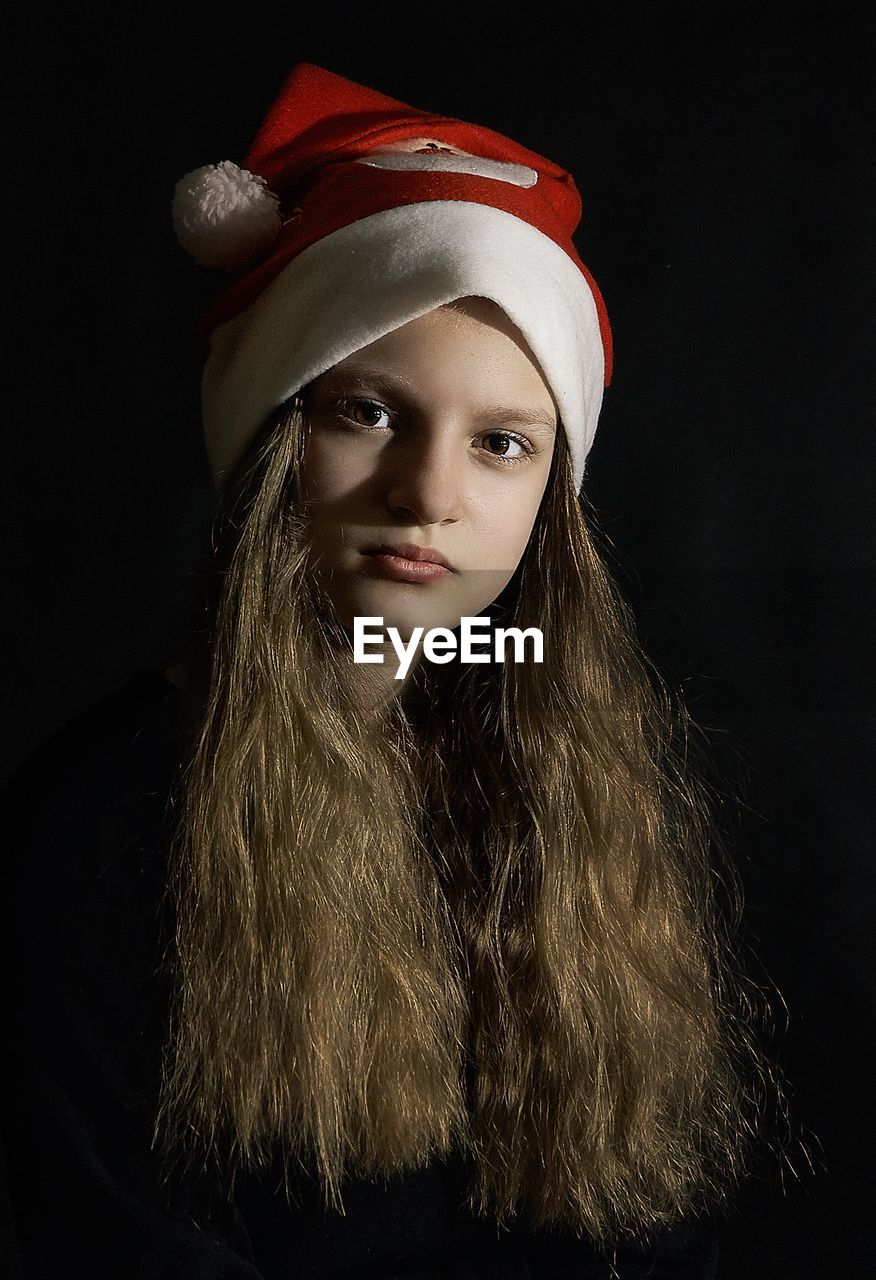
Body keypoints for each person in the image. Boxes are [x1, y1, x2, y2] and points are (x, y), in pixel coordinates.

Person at [2, 63, 766, 1278]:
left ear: (549, 504)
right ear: (265, 438)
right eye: (365, 412)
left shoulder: (573, 784)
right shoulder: (96, 821)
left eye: (502, 442)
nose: (428, 494)